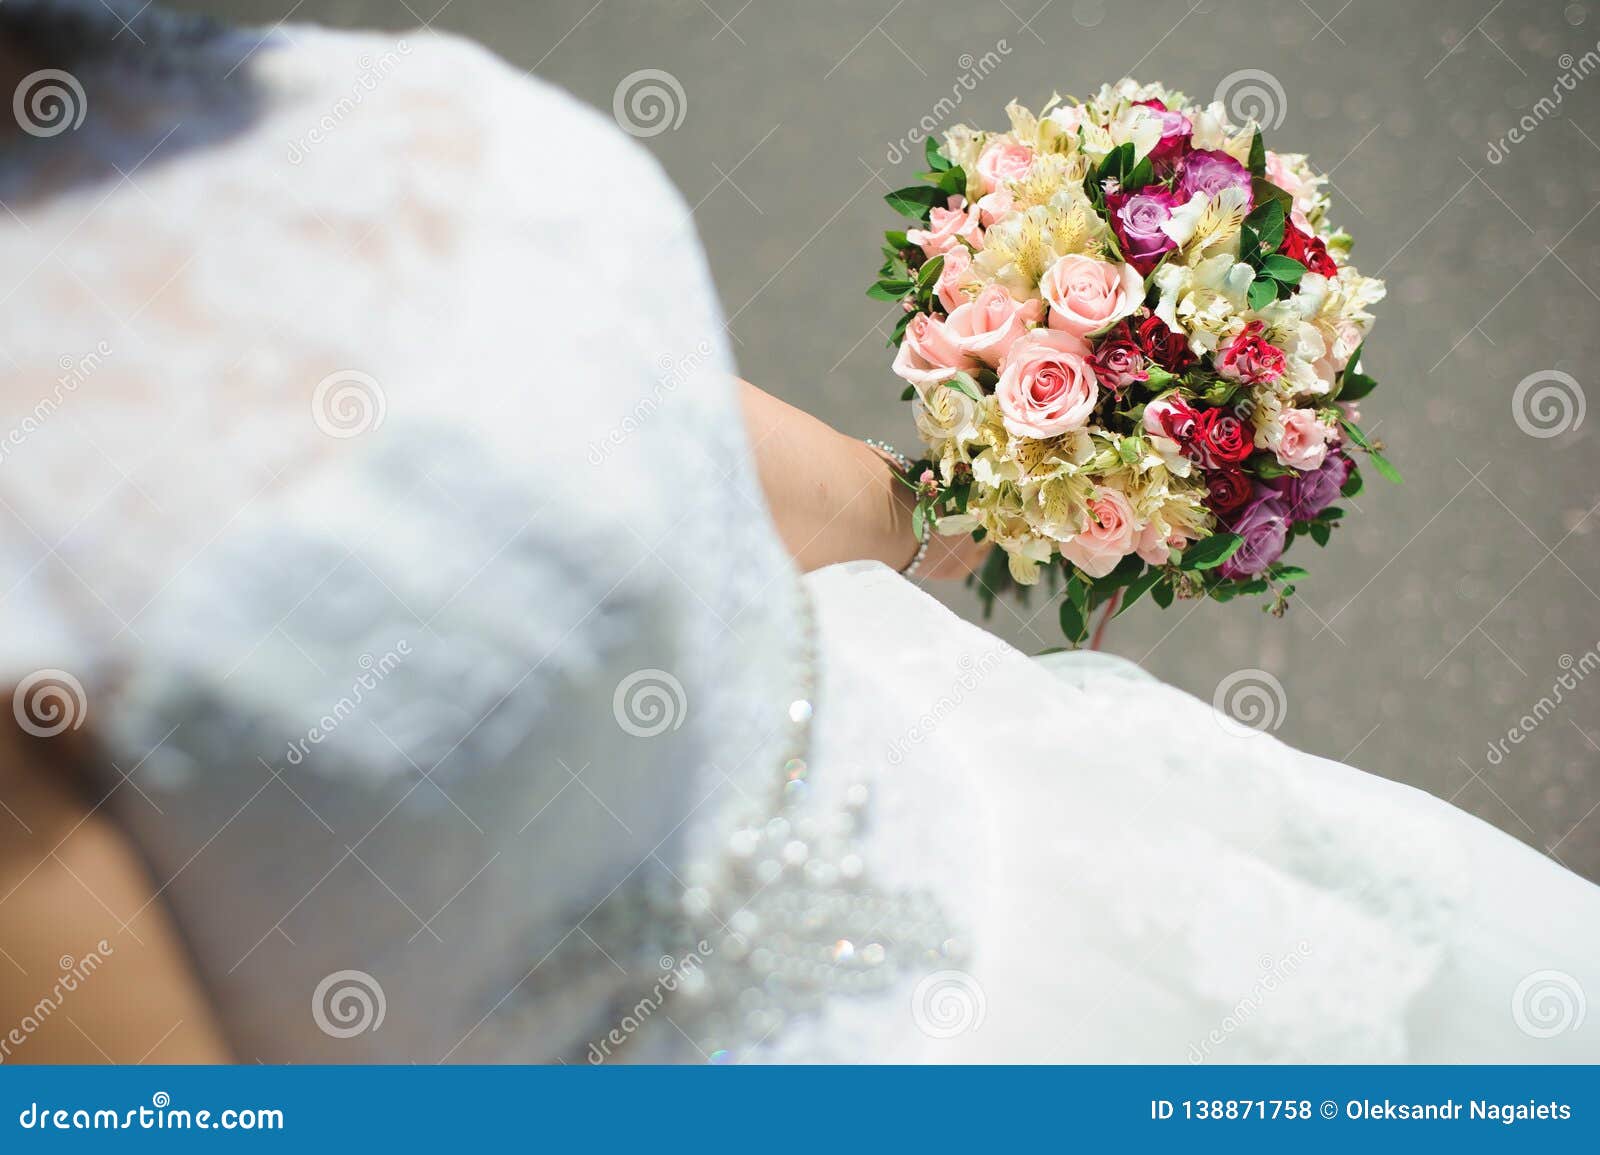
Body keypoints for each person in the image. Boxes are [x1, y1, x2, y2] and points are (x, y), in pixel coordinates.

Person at [1, 0, 1596, 1064]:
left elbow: (643, 431)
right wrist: (965, 488)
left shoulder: (367, 108)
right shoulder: (427, 126)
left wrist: (998, 480)